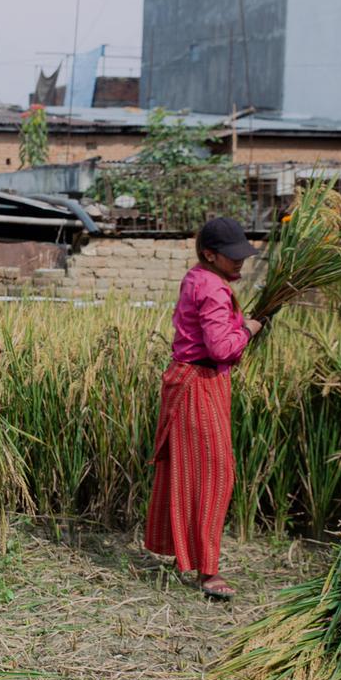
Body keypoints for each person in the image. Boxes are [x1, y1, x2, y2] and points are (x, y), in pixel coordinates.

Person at [144, 218, 263, 600]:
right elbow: (222, 348)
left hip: (196, 381)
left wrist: (239, 323)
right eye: (233, 257)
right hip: (199, 384)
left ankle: (189, 556)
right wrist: (248, 330)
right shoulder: (213, 287)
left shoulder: (199, 277)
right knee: (215, 476)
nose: (240, 262)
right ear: (210, 254)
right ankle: (208, 572)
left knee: (192, 472)